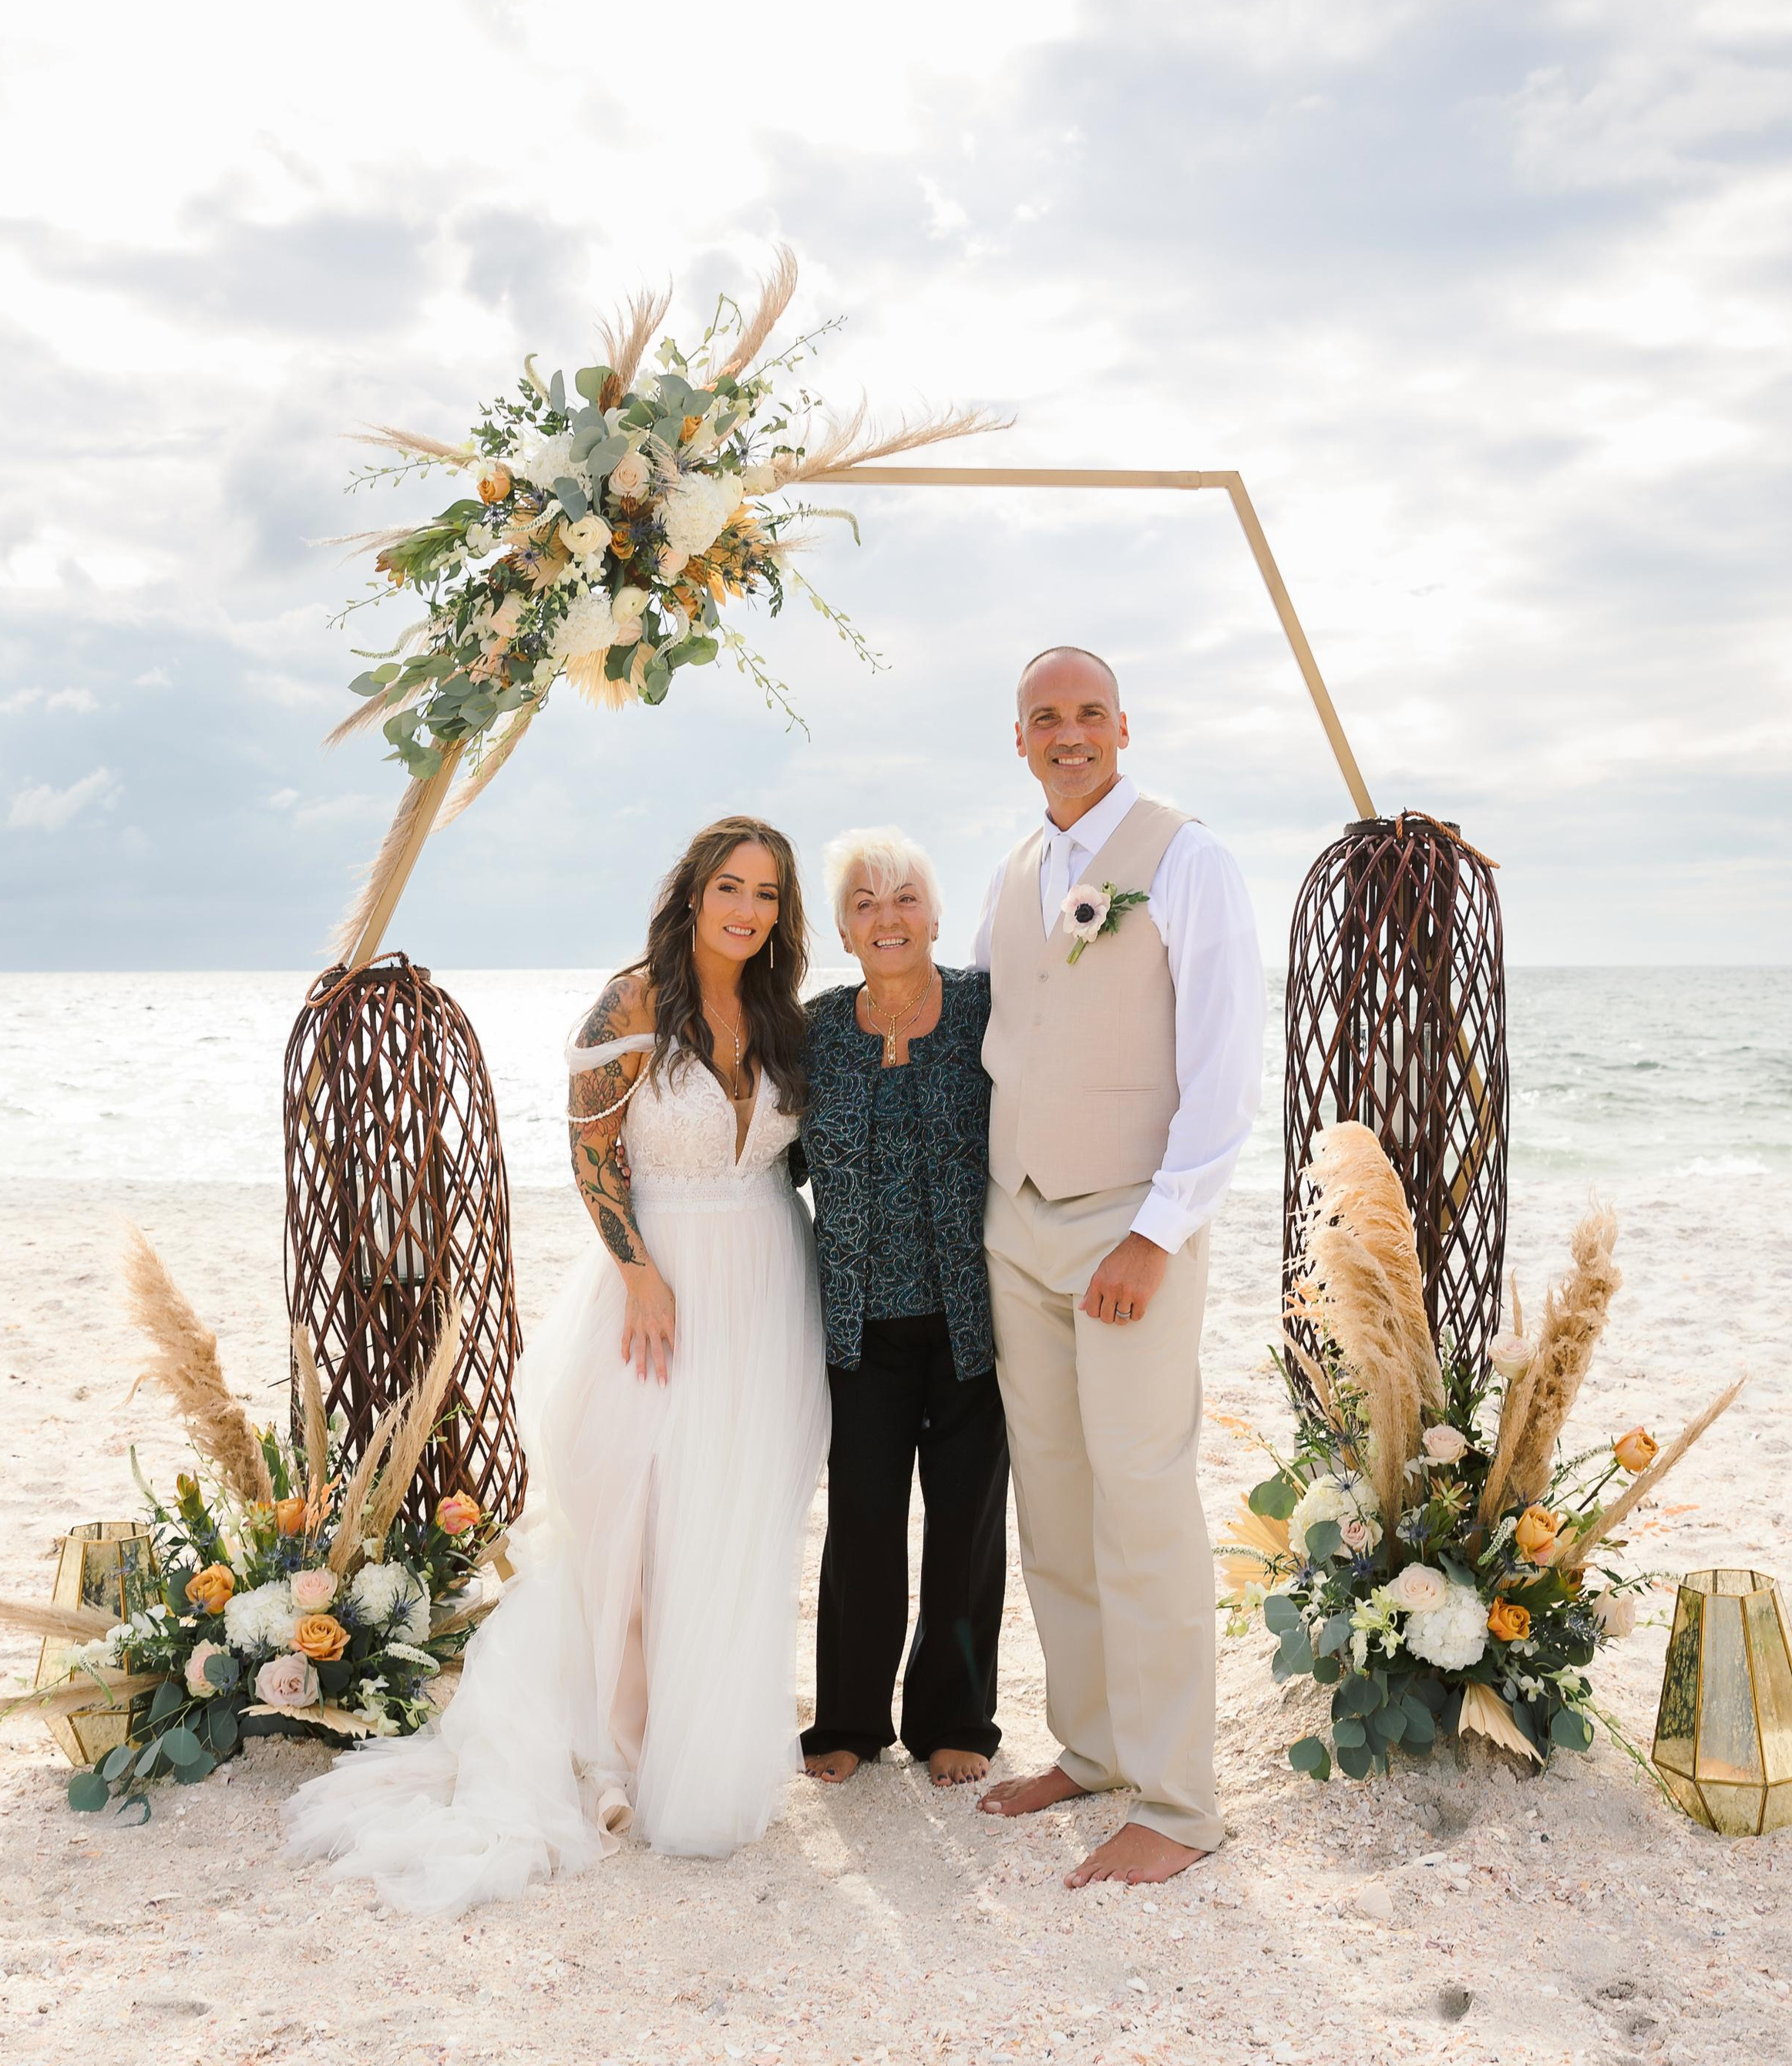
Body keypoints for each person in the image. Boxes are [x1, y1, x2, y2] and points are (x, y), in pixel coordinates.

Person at [284, 816, 829, 1911]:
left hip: (769, 1278)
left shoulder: (779, 1014)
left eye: (768, 894)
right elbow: (590, 1154)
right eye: (731, 887)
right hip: (657, 1279)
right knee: (626, 1510)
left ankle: (701, 1744)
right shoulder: (633, 1001)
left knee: (726, 1518)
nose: (749, 910)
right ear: (691, 895)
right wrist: (638, 1273)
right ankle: (606, 1753)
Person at [973, 648, 1263, 1889]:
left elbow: (1224, 1064)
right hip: (1017, 1223)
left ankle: (1178, 1801)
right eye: (1048, 717)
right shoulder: (1017, 872)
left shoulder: (1188, 859)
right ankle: (1090, 1751)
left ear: (1124, 727)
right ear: (1022, 740)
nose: (1070, 732)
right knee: (1053, 1500)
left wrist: (1159, 1228)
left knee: (1142, 1504)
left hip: (1129, 1224)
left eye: (1090, 712)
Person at [794, 829, 1008, 1789]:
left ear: (935, 912)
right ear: (842, 928)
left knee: (965, 1526)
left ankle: (954, 1718)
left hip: (975, 1318)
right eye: (867, 904)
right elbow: (765, 1154)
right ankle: (846, 1720)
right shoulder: (811, 1031)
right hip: (855, 1325)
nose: (889, 917)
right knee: (864, 1523)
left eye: (905, 897)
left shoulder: (983, 1009)